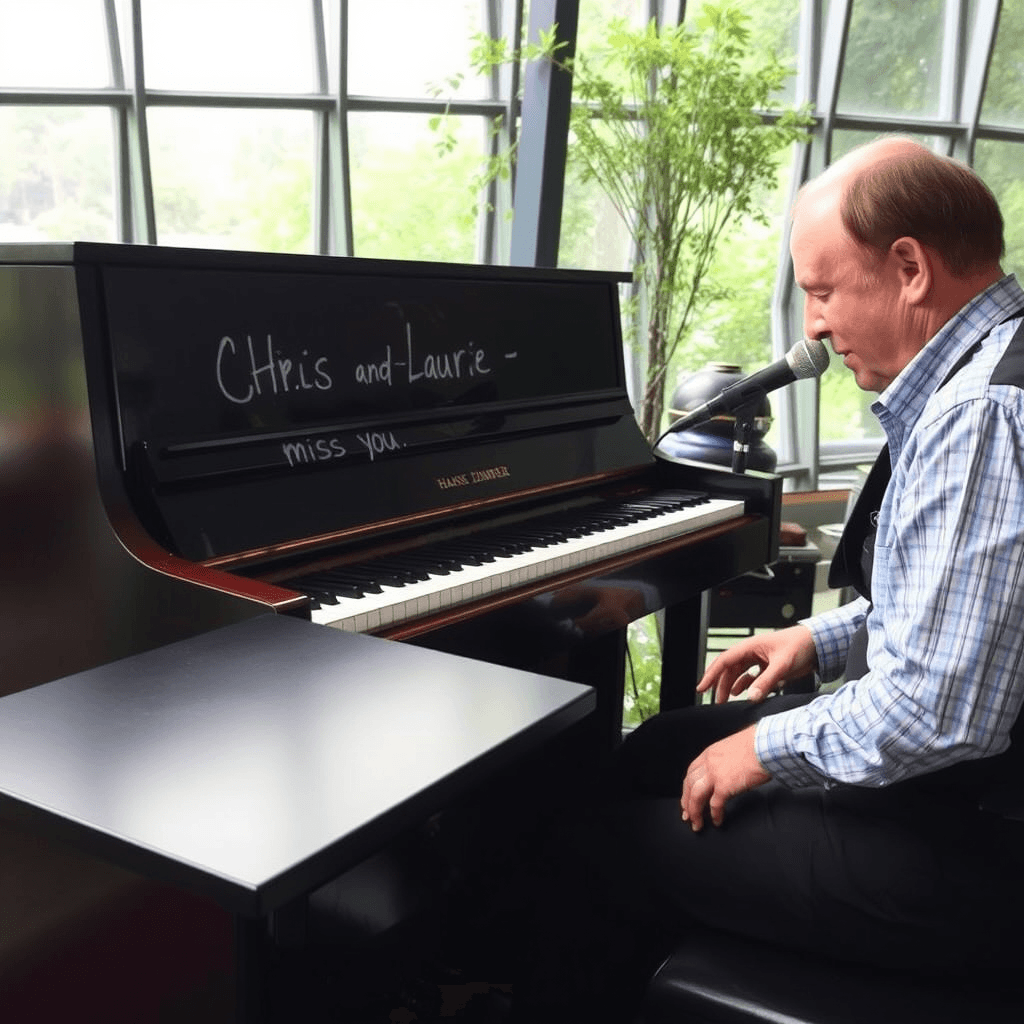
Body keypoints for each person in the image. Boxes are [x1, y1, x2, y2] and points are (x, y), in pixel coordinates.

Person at [512, 136, 1024, 1022]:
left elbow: (941, 711)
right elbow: (979, 613)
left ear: (909, 267)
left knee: (594, 840)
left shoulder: (981, 416)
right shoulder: (992, 369)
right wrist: (819, 636)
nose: (815, 327)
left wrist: (761, 750)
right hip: (975, 788)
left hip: (983, 844)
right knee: (657, 746)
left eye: (823, 291)